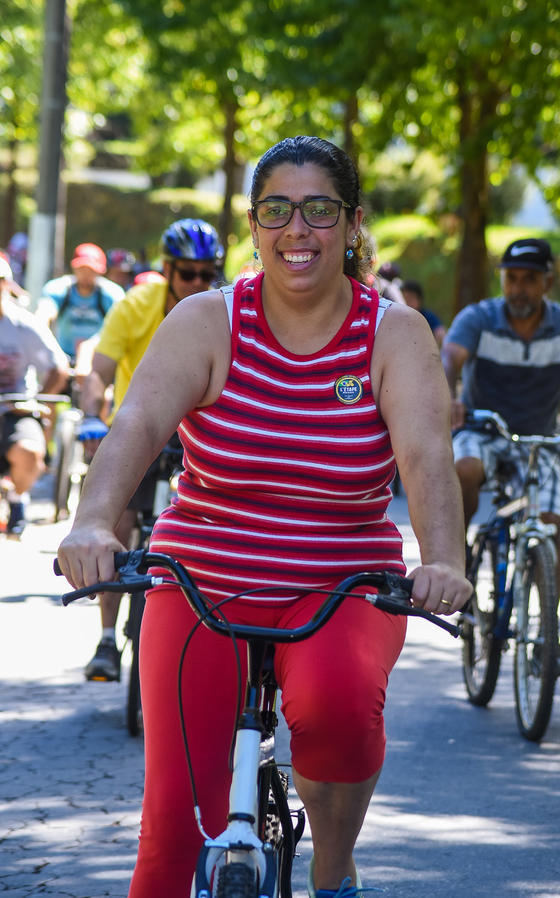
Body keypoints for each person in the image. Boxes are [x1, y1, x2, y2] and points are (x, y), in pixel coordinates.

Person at [57, 136, 471, 898]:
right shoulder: (207, 321)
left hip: (344, 580)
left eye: (319, 210)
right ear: (253, 224)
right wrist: (93, 522)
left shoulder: (394, 332)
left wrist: (443, 558)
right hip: (201, 578)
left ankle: (333, 867)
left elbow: (425, 457)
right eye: (277, 210)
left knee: (337, 710)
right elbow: (138, 427)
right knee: (171, 840)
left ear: (352, 224)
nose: (297, 230)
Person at [441, 237, 560, 677]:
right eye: (512, 278)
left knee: (552, 526)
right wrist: (449, 394)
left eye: (530, 280)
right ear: (503, 280)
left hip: (538, 440)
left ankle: (548, 633)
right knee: (464, 468)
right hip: (484, 428)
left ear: (547, 282)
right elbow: (450, 356)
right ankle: (458, 555)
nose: (519, 289)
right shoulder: (480, 317)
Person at [80, 218, 224, 682]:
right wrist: (90, 415)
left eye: (208, 274)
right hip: (140, 434)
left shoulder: (223, 311)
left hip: (198, 441)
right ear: (167, 269)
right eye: (188, 273)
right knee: (117, 523)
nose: (198, 283)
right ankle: (106, 638)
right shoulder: (136, 305)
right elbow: (99, 370)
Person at [0, 256, 70, 536]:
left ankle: (18, 497)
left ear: (6, 285)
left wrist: (39, 399)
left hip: (15, 407)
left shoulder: (23, 324)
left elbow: (58, 367)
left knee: (30, 452)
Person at [37, 243, 125, 364]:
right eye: (81, 269)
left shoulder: (112, 294)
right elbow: (43, 316)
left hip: (98, 357)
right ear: (74, 268)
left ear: (101, 271)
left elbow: (119, 329)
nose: (85, 274)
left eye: (91, 270)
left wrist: (89, 348)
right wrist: (50, 348)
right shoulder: (59, 289)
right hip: (63, 356)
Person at [401, 278, 446, 346]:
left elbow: (441, 334)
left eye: (410, 298)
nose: (407, 302)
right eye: (404, 299)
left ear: (419, 299)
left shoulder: (428, 316)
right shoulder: (398, 317)